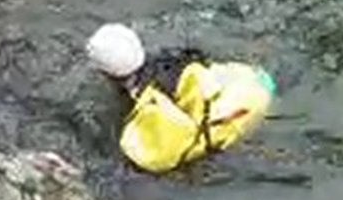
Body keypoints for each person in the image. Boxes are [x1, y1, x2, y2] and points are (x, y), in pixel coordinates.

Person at [86, 23, 275, 174]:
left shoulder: (146, 106)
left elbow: (159, 158)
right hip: (252, 82)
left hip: (238, 120)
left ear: (106, 74)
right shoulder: (172, 60)